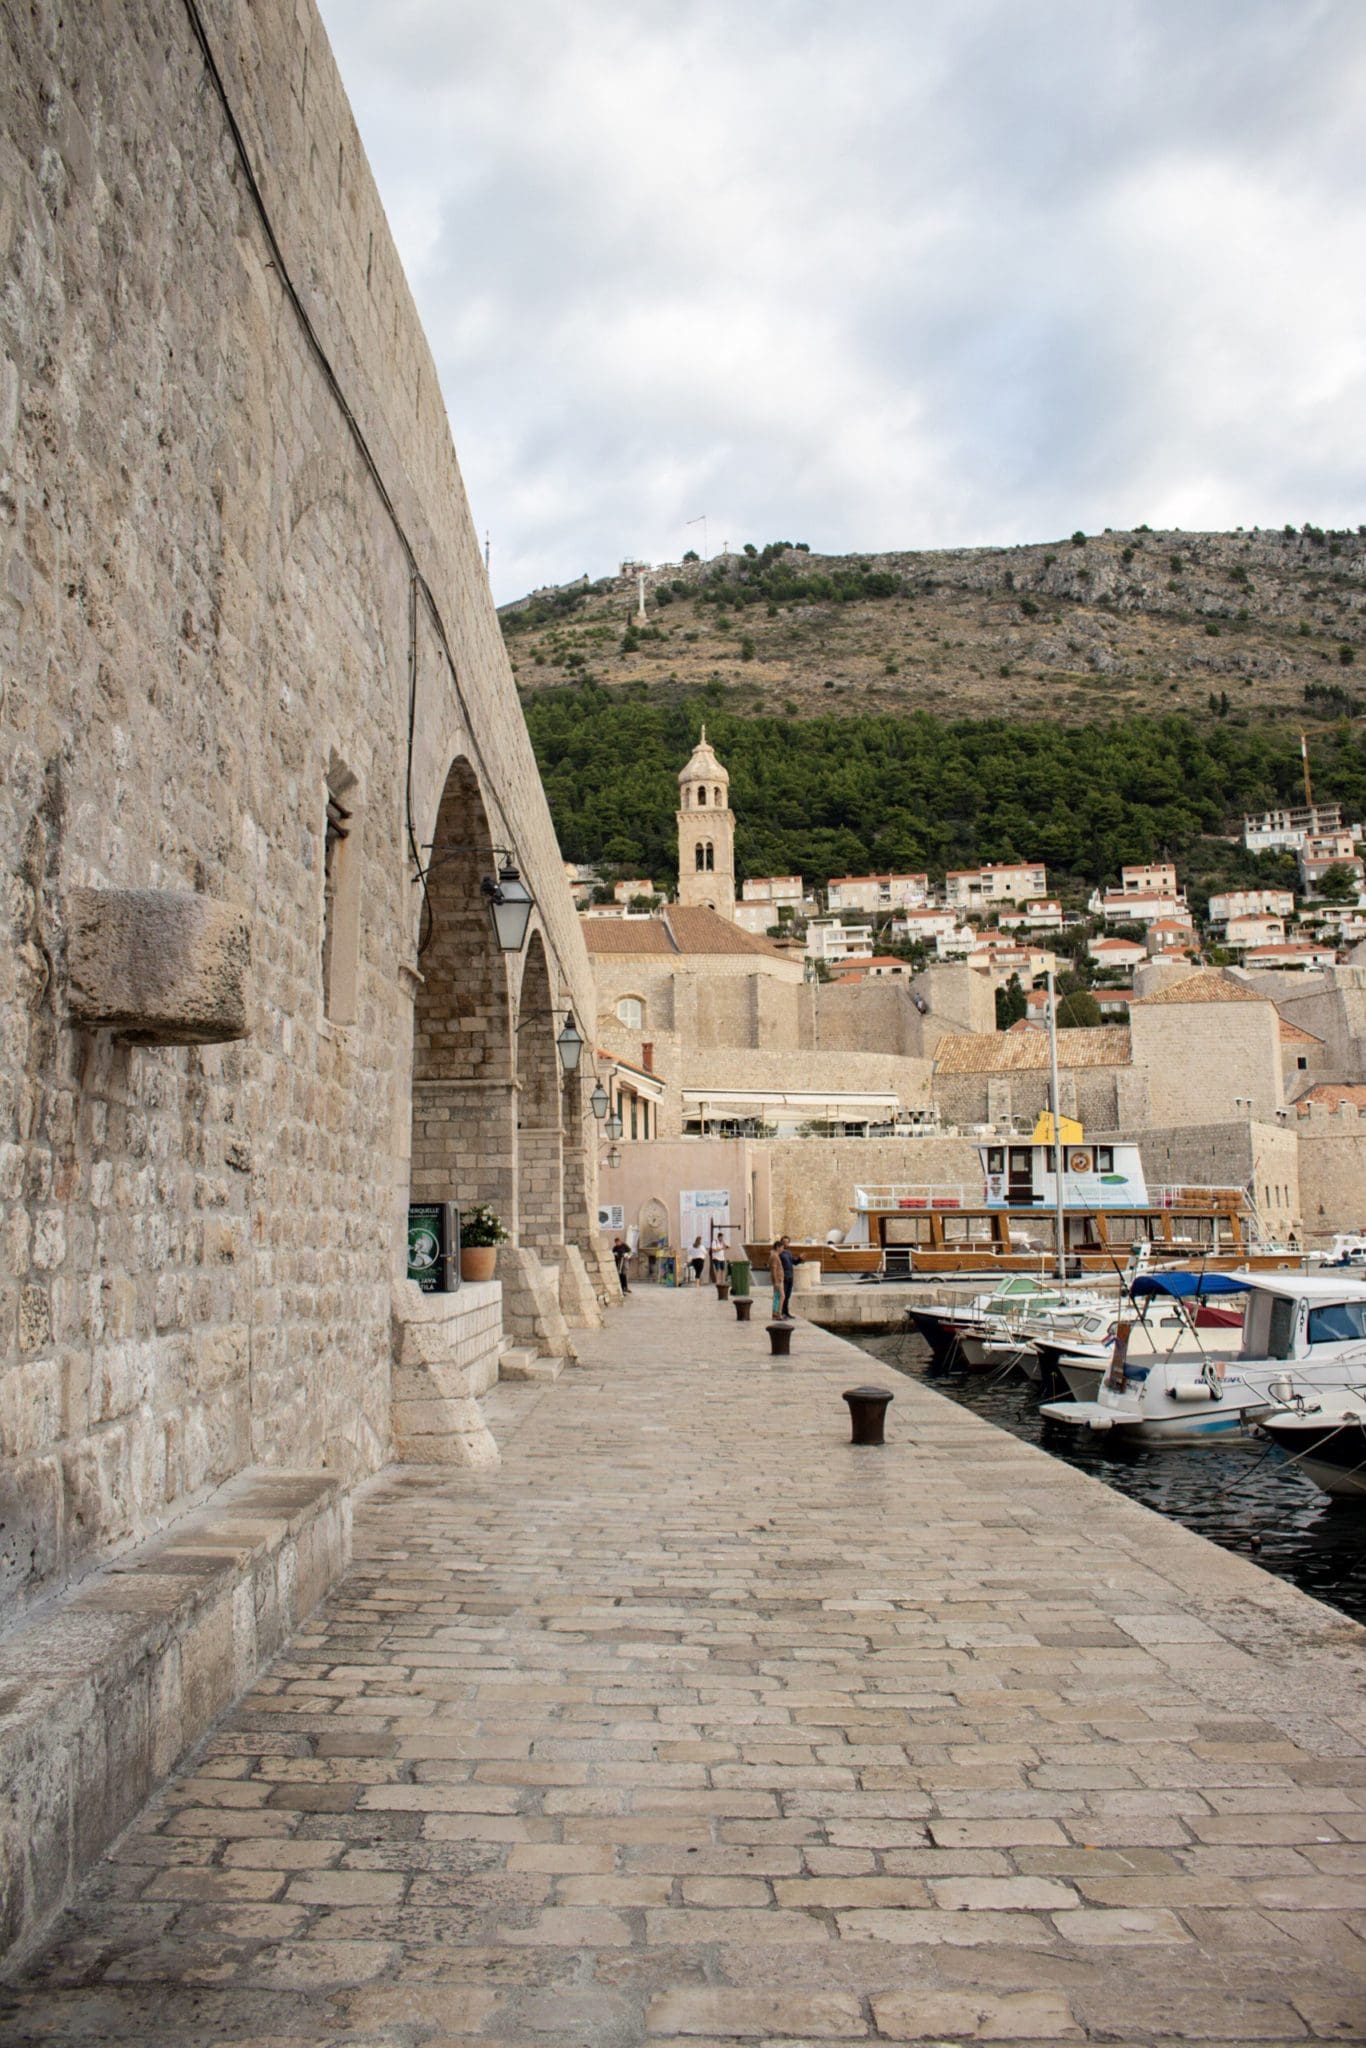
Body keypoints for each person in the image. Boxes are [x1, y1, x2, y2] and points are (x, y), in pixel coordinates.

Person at [770, 1236, 795, 1319]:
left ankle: (776, 1314)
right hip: (779, 1280)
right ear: (778, 1247)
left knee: (779, 1296)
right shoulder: (775, 1256)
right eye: (781, 1247)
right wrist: (776, 1281)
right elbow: (773, 1269)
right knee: (781, 1296)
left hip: (784, 1278)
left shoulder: (784, 1254)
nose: (782, 1249)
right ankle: (779, 1314)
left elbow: (793, 1262)